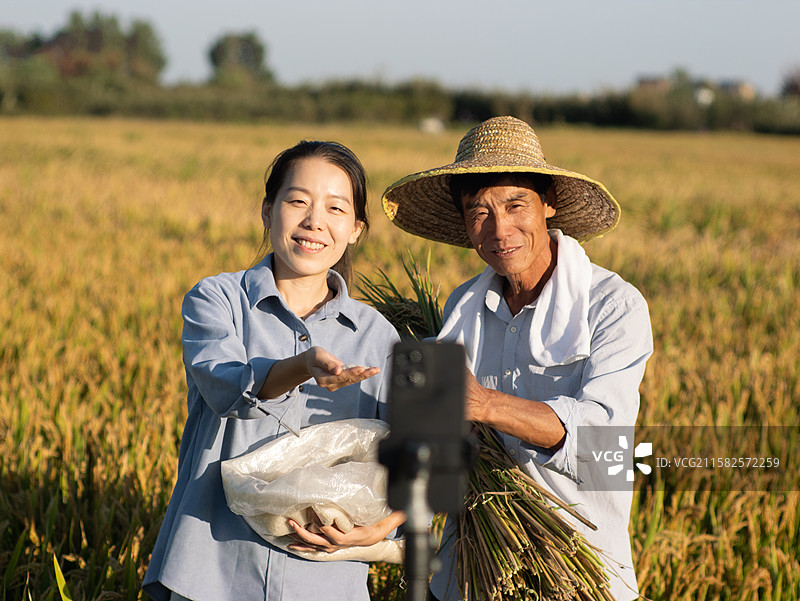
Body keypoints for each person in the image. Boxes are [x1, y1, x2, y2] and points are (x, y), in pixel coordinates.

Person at [381, 116, 653, 601]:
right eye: (479, 212)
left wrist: (485, 405)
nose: (500, 229)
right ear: (465, 224)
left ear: (548, 203)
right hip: (470, 573)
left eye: (515, 204)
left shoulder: (612, 305)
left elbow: (601, 445)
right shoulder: (462, 309)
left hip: (580, 571)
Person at [143, 140, 405, 601]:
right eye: (297, 201)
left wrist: (380, 531)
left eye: (336, 208)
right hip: (209, 571)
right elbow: (226, 388)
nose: (314, 222)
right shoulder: (218, 300)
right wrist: (302, 366)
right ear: (268, 211)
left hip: (325, 584)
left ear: (356, 230)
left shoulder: (377, 336)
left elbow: (414, 452)